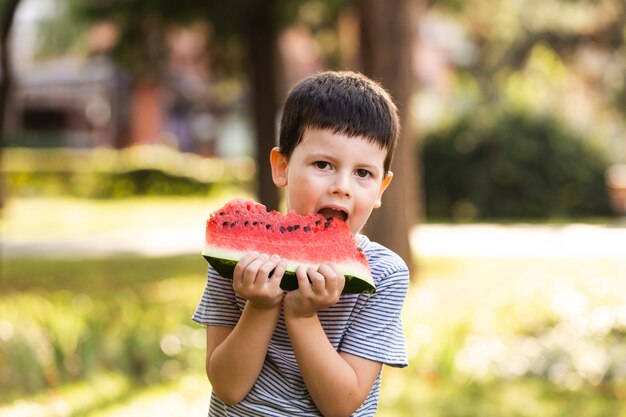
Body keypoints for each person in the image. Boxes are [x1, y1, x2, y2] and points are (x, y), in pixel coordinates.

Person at [193, 70, 409, 416]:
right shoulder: (237, 261)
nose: (342, 187)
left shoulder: (383, 275)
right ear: (281, 167)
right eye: (323, 164)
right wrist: (260, 307)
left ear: (381, 189)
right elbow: (228, 387)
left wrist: (302, 315)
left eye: (363, 173)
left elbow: (341, 405)